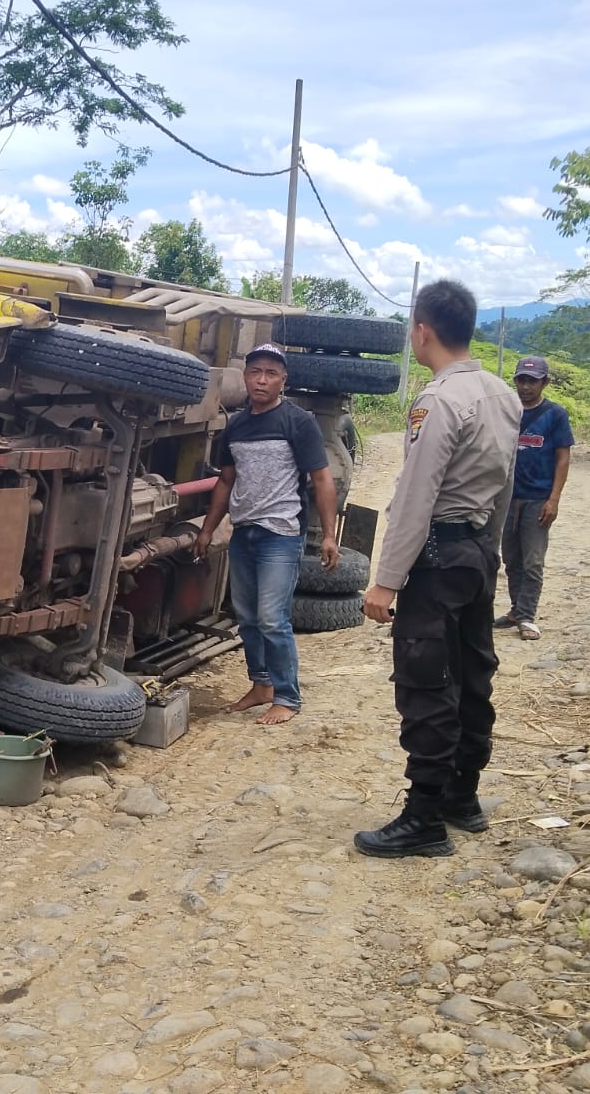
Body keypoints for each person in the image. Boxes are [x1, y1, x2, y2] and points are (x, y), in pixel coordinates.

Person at [355, 281, 522, 858]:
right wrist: (490, 552)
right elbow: (504, 485)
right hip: (476, 552)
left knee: (427, 680)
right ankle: (462, 796)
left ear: (422, 331)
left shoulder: (439, 401)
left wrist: (386, 580)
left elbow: (415, 497)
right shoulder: (503, 395)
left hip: (436, 556)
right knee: (473, 672)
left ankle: (424, 817)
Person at [193, 343, 338, 725]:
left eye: (271, 373)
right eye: (255, 371)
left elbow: (322, 480)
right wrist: (208, 530)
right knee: (246, 617)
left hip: (281, 533)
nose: (261, 379)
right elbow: (226, 481)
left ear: (283, 380)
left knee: (273, 618)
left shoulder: (297, 423)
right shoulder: (236, 425)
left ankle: (287, 697)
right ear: (245, 376)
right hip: (244, 533)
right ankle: (261, 686)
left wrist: (328, 535)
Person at [496, 357, 573, 641]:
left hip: (537, 498)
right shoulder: (507, 411)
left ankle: (527, 615)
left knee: (533, 560)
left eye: (533, 381)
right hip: (506, 498)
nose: (526, 386)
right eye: (521, 380)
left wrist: (554, 499)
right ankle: (517, 609)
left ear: (545, 382)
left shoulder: (555, 415)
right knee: (511, 558)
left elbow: (563, 458)